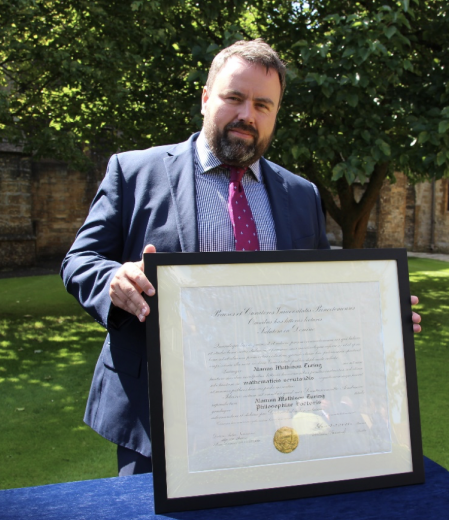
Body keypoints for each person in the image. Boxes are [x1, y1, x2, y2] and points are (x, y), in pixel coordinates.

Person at [61, 39, 421, 475]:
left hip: (277, 413)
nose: (247, 114)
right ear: (206, 98)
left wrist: (379, 320)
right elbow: (81, 260)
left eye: (262, 105)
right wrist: (114, 279)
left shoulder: (301, 195)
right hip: (162, 411)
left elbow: (322, 295)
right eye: (234, 97)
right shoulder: (135, 172)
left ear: (274, 116)